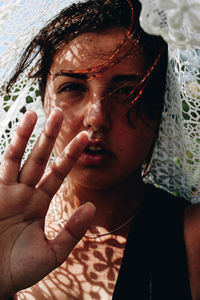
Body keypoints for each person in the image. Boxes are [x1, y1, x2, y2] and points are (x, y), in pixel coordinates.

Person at [0, 0, 200, 299]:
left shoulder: (191, 240)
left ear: (159, 109)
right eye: (72, 87)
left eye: (125, 92)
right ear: (43, 101)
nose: (96, 118)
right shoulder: (5, 225)